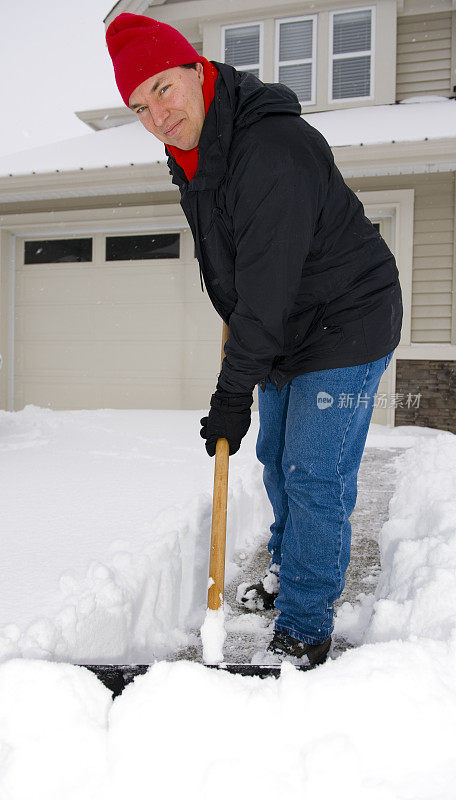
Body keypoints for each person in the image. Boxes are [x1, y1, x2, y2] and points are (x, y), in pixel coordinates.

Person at [106, 13, 403, 668]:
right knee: (275, 457)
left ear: (195, 68)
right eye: (138, 105)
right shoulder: (196, 147)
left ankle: (304, 625)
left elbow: (265, 289)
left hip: (347, 319)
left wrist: (231, 391)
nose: (156, 113)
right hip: (287, 323)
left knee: (313, 472)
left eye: (162, 88)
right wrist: (245, 376)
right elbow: (238, 269)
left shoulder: (268, 148)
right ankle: (290, 567)